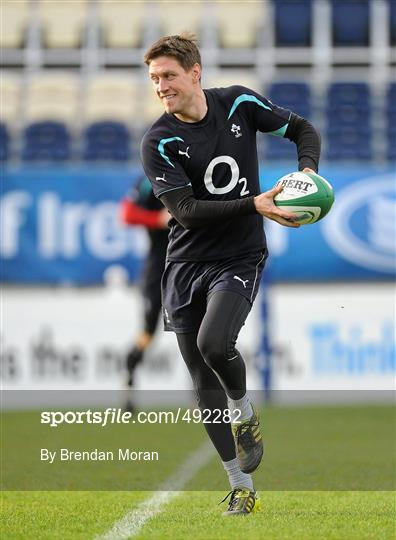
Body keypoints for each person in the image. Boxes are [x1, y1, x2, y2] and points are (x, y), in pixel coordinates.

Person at [140, 34, 320, 516]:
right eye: (155, 78)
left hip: (238, 256)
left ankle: (245, 414)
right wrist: (256, 203)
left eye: (169, 75)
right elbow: (188, 212)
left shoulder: (239, 102)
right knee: (201, 376)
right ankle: (241, 485)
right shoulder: (159, 140)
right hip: (184, 264)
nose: (161, 86)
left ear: (195, 72)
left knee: (213, 344)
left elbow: (304, 129)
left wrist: (306, 177)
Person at [120, 175, 169, 411]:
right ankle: (128, 382)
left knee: (200, 331)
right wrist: (158, 219)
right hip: (159, 270)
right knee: (148, 332)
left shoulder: (197, 170)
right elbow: (127, 214)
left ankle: (203, 394)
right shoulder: (150, 180)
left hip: (190, 267)